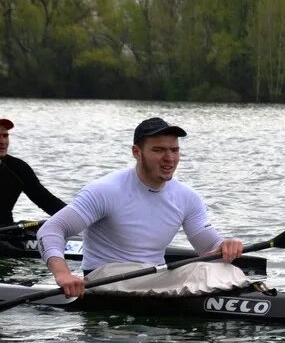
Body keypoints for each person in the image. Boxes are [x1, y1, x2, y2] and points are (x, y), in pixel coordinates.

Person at [37, 117, 244, 297]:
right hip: (105, 279)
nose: (169, 158)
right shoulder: (105, 191)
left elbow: (208, 249)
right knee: (205, 274)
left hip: (153, 275)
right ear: (137, 152)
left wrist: (226, 246)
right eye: (159, 150)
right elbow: (51, 229)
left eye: (174, 150)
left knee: (226, 269)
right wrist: (63, 274)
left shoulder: (186, 197)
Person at [0, 117, 66, 227]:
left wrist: (82, 218)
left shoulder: (18, 168)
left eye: (5, 136)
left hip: (6, 233)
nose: (2, 142)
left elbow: (48, 202)